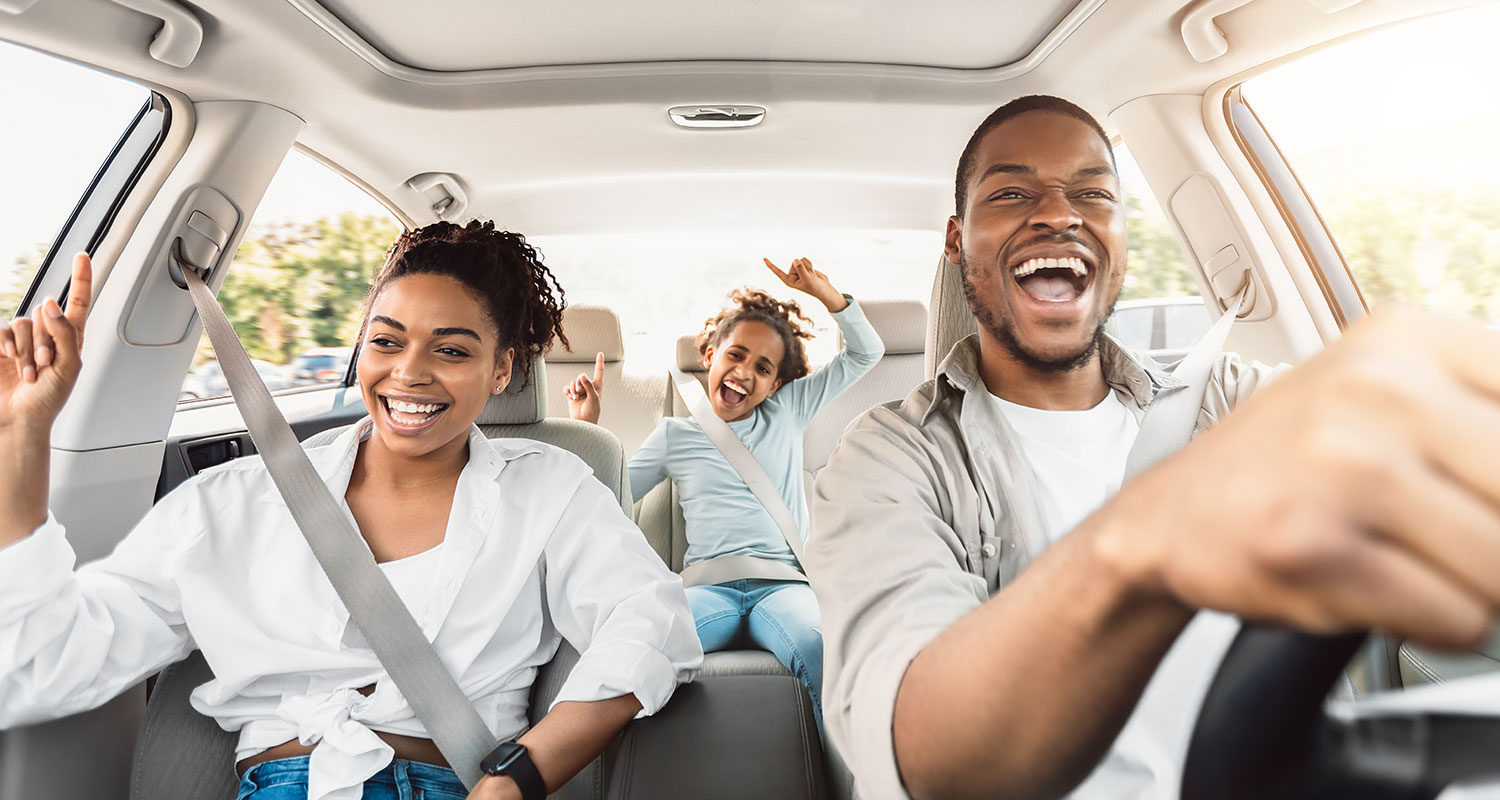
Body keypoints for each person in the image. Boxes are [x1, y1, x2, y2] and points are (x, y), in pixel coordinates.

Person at [808, 94, 1500, 800]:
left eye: (1092, 194)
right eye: (1012, 192)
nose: (1057, 213)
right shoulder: (888, 458)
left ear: (1120, 233)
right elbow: (927, 757)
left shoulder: (1229, 400)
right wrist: (1145, 542)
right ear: (957, 240)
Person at [0, 221, 703, 800]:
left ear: (502, 369)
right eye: (387, 340)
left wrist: (519, 775)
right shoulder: (235, 501)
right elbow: (43, 659)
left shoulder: (550, 487)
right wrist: (26, 436)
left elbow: (651, 621)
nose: (410, 372)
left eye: (452, 350)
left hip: (454, 784)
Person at [565, 257, 884, 728]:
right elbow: (611, 501)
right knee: (635, 649)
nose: (744, 373)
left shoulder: (789, 410)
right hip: (706, 590)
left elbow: (866, 353)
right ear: (710, 355)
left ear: (777, 384)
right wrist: (586, 430)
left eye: (763, 367)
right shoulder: (675, 433)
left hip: (784, 588)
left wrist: (826, 295)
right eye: (736, 355)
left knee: (822, 648)